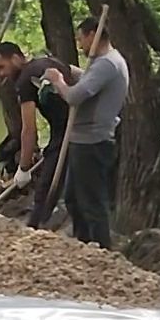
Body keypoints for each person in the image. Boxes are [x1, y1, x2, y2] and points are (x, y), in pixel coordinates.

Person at [42, 14, 128, 249]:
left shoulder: (107, 64)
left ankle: (101, 250)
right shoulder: (104, 63)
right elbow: (89, 82)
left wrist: (59, 81)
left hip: (92, 141)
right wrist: (70, 71)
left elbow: (73, 96)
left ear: (93, 35)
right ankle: (83, 245)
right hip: (83, 139)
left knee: (91, 202)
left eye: (82, 39)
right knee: (73, 198)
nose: (80, 45)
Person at [0, 42, 71, 228]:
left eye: (2, 67)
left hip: (67, 132)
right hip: (78, 128)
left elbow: (29, 129)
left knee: (45, 190)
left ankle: (34, 231)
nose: (1, 74)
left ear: (16, 58)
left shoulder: (25, 80)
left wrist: (23, 168)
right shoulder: (48, 62)